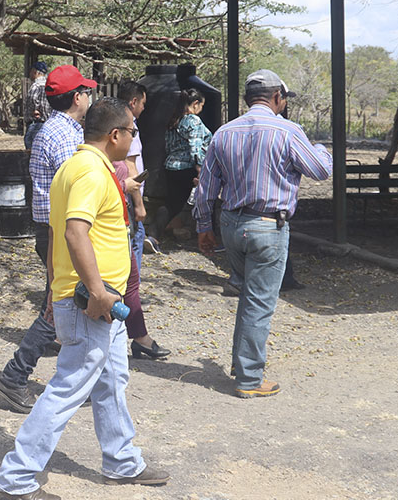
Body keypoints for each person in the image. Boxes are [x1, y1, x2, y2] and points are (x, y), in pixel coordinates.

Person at [0, 97, 170, 500]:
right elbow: (73, 233)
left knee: (112, 381)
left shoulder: (74, 167)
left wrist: (55, 289)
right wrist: (100, 293)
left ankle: (122, 462)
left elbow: (55, 234)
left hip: (92, 298)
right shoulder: (90, 171)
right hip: (94, 302)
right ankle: (14, 480)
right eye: (132, 132)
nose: (134, 138)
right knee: (68, 387)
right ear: (115, 135)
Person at [194, 69, 332, 399]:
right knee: (258, 303)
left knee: (248, 296)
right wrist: (321, 147)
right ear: (276, 98)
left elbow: (205, 190)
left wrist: (203, 228)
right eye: (284, 99)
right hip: (268, 227)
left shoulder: (224, 133)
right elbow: (321, 171)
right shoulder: (288, 131)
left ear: (246, 99)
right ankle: (249, 378)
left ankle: (242, 362)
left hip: (231, 226)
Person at [0, 64, 93, 413]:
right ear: (77, 97)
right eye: (86, 91)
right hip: (63, 232)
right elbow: (76, 190)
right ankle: (15, 376)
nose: (89, 97)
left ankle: (77, 381)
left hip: (56, 230)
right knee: (59, 306)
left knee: (67, 304)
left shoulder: (57, 129)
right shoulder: (64, 135)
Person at [116, 80, 170, 360]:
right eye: (143, 104)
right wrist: (139, 206)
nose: (144, 109)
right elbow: (132, 169)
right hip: (126, 205)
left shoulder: (107, 121)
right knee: (130, 277)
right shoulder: (128, 128)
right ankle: (138, 337)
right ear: (134, 102)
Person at [158, 88, 211, 240]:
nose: (201, 110)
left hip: (171, 166)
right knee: (198, 201)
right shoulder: (193, 120)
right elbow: (195, 147)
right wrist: (200, 169)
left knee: (171, 203)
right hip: (188, 168)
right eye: (201, 106)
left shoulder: (174, 119)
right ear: (195, 104)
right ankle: (204, 234)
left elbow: (168, 146)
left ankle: (157, 234)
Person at [22, 61, 50, 150]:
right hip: (46, 122)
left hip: (36, 123)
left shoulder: (36, 86)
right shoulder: (48, 86)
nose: (30, 74)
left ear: (36, 72)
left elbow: (32, 98)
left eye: (31, 71)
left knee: (31, 150)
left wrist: (35, 109)